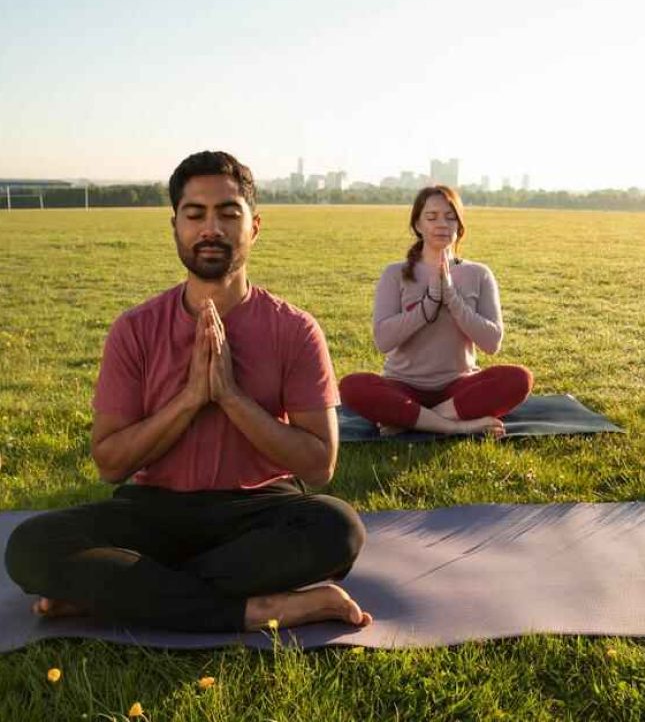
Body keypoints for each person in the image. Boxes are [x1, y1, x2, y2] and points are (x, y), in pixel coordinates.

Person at [5, 151, 372, 633]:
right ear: (175, 226)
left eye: (228, 213)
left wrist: (231, 398)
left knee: (337, 529)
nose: (210, 228)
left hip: (258, 510)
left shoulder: (295, 329)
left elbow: (318, 466)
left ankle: (117, 593)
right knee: (29, 546)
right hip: (154, 512)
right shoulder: (134, 329)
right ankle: (260, 609)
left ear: (254, 226)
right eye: (195, 214)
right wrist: (190, 399)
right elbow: (111, 463)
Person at [340, 185, 532, 437]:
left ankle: (413, 419)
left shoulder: (479, 274)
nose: (442, 224)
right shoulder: (394, 274)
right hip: (403, 386)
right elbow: (383, 341)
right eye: (432, 217)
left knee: (519, 379)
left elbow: (492, 342)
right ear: (418, 225)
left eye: (450, 217)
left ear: (459, 226)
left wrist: (452, 298)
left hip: (458, 388)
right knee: (352, 386)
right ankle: (453, 425)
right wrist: (428, 303)